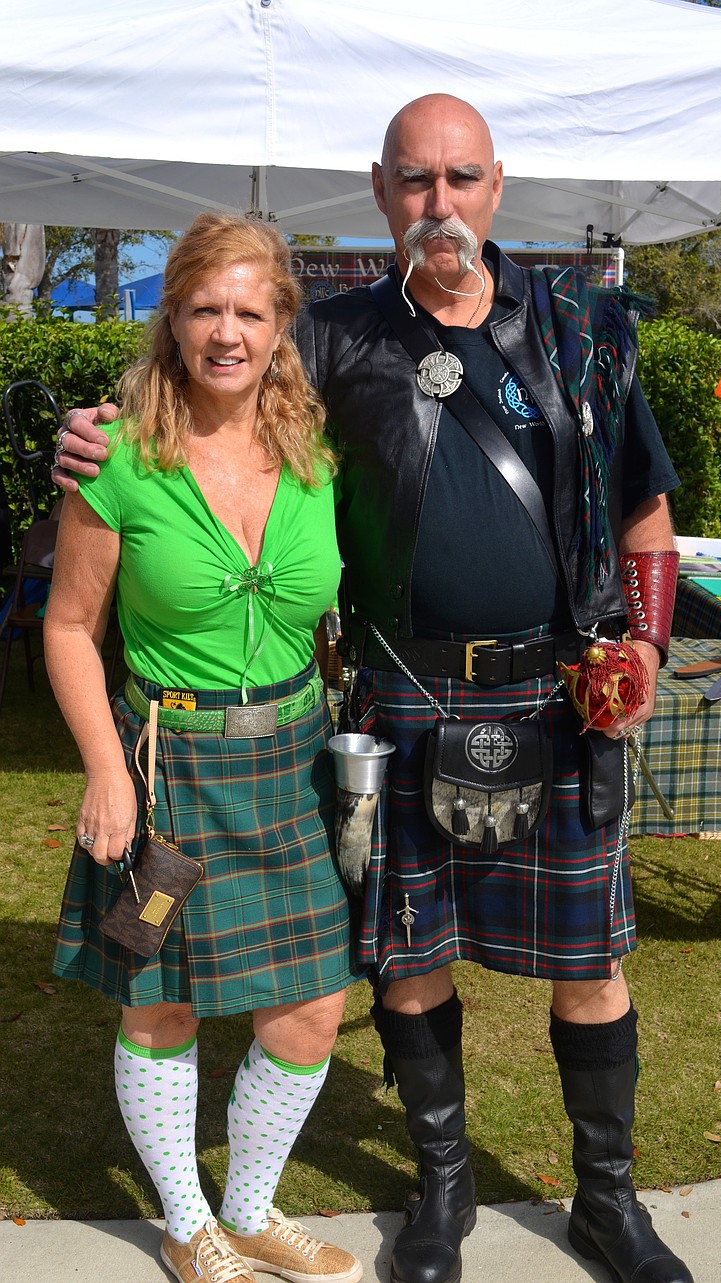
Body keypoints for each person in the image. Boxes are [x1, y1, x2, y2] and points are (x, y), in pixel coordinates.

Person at [55, 96, 693, 1283]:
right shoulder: (338, 339)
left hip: (559, 696)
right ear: (379, 190)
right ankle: (439, 1192)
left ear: (496, 186)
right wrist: (90, 438)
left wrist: (646, 644)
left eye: (458, 179)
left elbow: (648, 510)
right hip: (403, 703)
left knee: (590, 963)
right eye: (413, 182)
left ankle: (609, 1201)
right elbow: (211, 368)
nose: (436, 205)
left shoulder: (586, 332)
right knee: (410, 955)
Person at [45, 213, 363, 1283]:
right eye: (204, 308)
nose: (226, 331)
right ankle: (188, 1223)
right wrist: (102, 766)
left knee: (314, 1003)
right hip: (168, 769)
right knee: (159, 995)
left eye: (249, 310)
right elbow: (66, 627)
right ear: (171, 317)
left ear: (281, 325)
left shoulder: (311, 457)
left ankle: (253, 1204)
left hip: (292, 763)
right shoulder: (119, 458)